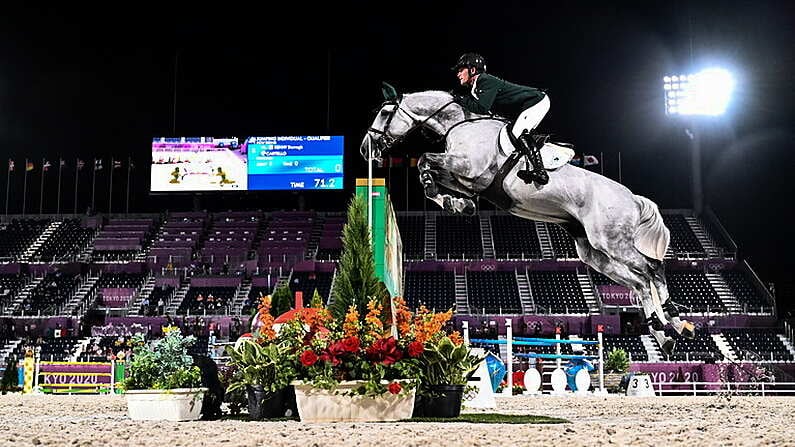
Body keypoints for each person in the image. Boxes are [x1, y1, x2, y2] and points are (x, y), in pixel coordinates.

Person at [451, 52, 550, 184]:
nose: (458, 74)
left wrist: (460, 99)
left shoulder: (484, 80)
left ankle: (540, 171)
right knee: (511, 134)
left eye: (460, 70)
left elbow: (481, 108)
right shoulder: (476, 87)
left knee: (518, 132)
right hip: (527, 105)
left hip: (536, 101)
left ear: (472, 70)